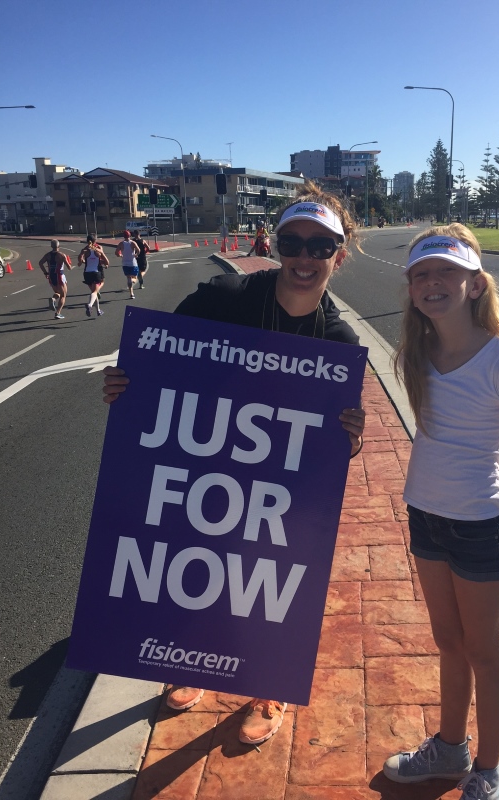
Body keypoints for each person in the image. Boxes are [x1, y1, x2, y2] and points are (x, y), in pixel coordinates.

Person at [103, 183, 366, 747]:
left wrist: (351, 438)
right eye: (293, 242)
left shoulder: (337, 340)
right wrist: (128, 386)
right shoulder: (222, 297)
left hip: (275, 493)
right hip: (207, 468)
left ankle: (267, 683)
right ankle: (195, 661)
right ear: (274, 245)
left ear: (338, 257)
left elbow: (337, 441)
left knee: (269, 579)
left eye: (321, 247)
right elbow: (161, 365)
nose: (304, 257)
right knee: (197, 569)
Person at [383, 224, 499, 799]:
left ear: (474, 284)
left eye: (447, 271)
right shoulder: (418, 352)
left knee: (484, 652)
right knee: (447, 641)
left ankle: (486, 769)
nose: (432, 282)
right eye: (421, 274)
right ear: (412, 289)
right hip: (426, 518)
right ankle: (449, 748)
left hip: (477, 528)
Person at [39, 240, 72, 319]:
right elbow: (69, 267)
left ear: (51, 246)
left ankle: (53, 299)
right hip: (59, 275)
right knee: (63, 296)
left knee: (58, 292)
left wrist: (45, 273)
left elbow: (40, 263)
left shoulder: (47, 255)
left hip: (51, 275)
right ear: (59, 246)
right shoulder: (62, 255)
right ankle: (58, 313)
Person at [78, 234, 109, 316]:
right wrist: (102, 254)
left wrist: (82, 257)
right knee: (95, 291)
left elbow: (79, 263)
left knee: (93, 292)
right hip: (96, 272)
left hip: (87, 273)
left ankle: (98, 310)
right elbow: (107, 262)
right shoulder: (98, 249)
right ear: (95, 240)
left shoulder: (84, 250)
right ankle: (90, 305)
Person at [115, 230, 140, 299]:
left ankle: (131, 293)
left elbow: (116, 253)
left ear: (124, 236)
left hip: (125, 263)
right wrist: (136, 254)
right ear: (130, 235)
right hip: (133, 263)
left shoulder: (121, 244)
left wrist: (120, 255)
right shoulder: (133, 243)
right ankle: (132, 281)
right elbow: (138, 250)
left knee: (128, 277)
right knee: (135, 277)